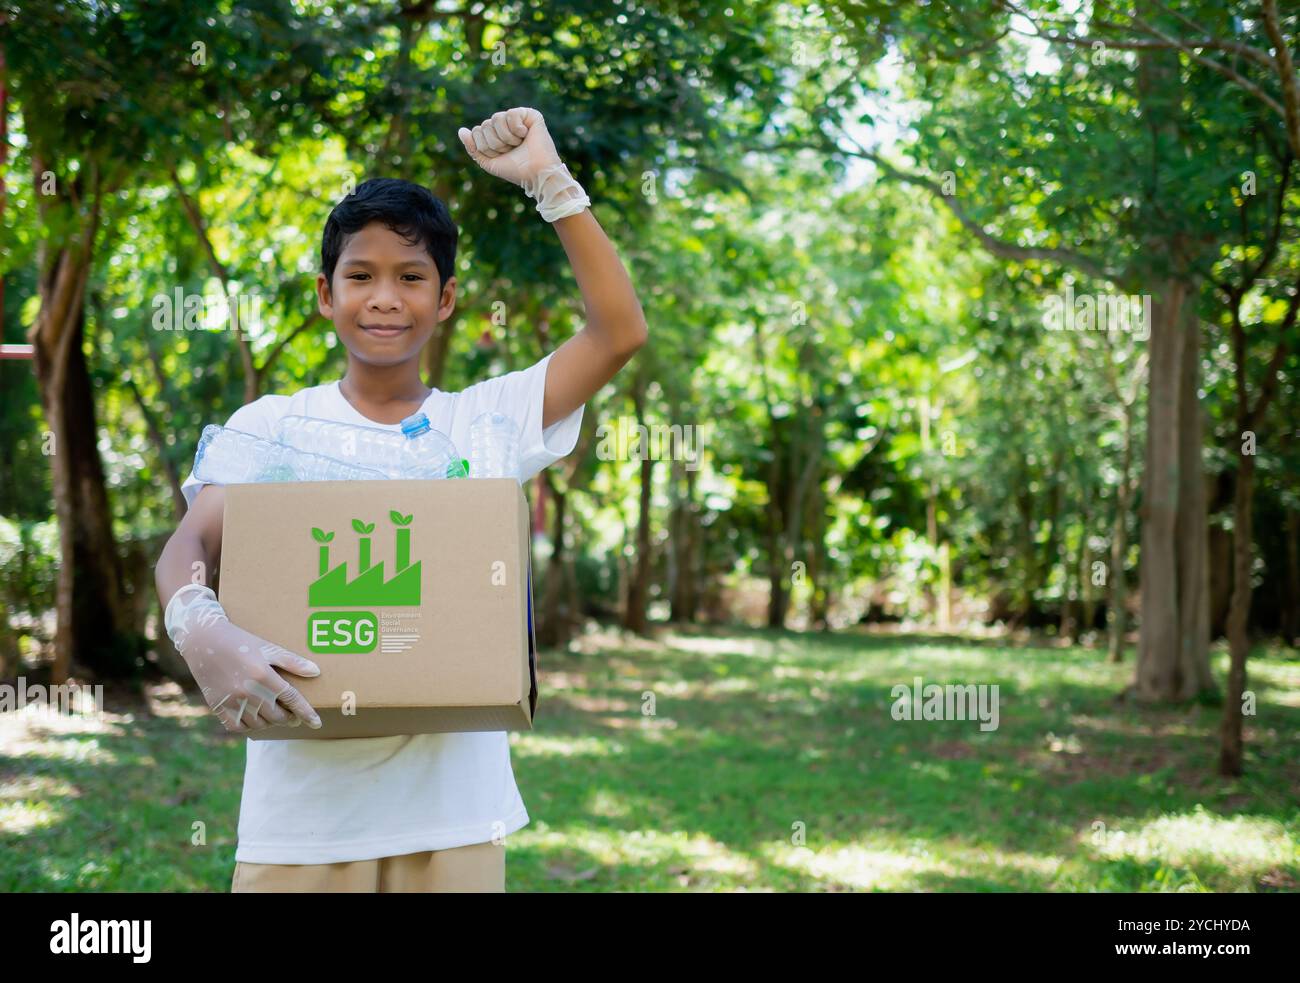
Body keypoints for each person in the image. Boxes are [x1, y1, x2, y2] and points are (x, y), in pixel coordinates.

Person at [153, 107, 648, 893]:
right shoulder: (272, 425)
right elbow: (189, 545)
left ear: (446, 299)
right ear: (325, 293)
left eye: (411, 277)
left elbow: (618, 331)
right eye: (361, 275)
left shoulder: (485, 423)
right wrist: (198, 626)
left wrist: (550, 183)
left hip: (455, 817)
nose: (385, 297)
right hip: (299, 821)